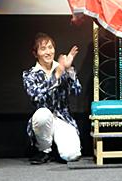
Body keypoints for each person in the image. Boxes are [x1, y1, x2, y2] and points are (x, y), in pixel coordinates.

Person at [22, 32, 82, 164]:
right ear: (35, 53)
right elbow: (36, 96)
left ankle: (58, 148)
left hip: (62, 117)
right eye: (43, 49)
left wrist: (69, 70)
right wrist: (56, 76)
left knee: (71, 155)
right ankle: (45, 150)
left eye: (50, 47)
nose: (48, 52)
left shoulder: (62, 68)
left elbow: (77, 91)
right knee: (42, 114)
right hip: (44, 118)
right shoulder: (29, 74)